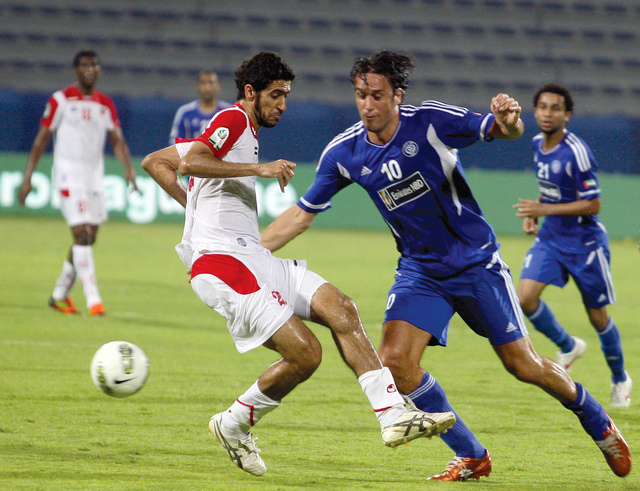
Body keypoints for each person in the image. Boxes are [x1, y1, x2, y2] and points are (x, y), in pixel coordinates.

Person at [261, 51, 631, 481]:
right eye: (361, 95)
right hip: (420, 271)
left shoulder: (430, 122)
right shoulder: (345, 152)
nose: (367, 105)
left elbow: (503, 131)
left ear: (397, 96)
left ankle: (596, 419)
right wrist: (249, 253)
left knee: (523, 365)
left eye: (377, 95)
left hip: (477, 263)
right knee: (395, 363)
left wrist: (510, 120)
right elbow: (301, 214)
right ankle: (472, 455)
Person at [141, 51, 455, 477]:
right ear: (250, 92)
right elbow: (190, 162)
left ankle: (392, 415)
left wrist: (193, 213)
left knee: (341, 308)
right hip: (224, 265)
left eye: (286, 95)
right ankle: (234, 424)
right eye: (275, 95)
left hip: (251, 256)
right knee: (306, 353)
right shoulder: (233, 119)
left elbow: (156, 161)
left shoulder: (235, 129)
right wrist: (259, 170)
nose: (283, 104)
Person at [513, 83, 631, 407]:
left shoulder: (577, 151)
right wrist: (536, 213)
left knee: (597, 317)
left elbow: (593, 204)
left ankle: (620, 378)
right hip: (551, 238)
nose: (548, 113)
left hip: (585, 244)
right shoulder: (537, 144)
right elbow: (551, 187)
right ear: (535, 111)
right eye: (543, 107)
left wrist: (543, 210)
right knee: (524, 299)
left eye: (556, 108)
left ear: (567, 115)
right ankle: (568, 345)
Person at [18, 49, 138, 316]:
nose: (90, 70)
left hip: (94, 178)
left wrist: (129, 170)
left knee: (89, 237)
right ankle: (94, 300)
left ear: (99, 70)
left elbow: (117, 140)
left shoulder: (105, 104)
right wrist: (28, 178)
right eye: (84, 65)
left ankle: (59, 295)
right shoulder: (60, 100)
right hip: (67, 176)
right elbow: (41, 139)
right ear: (76, 70)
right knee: (81, 234)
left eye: (94, 65)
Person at [168, 70, 231, 144]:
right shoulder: (185, 112)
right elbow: (175, 141)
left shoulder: (228, 112)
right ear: (197, 86)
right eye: (203, 83)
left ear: (218, 86)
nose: (207, 87)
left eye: (211, 83)